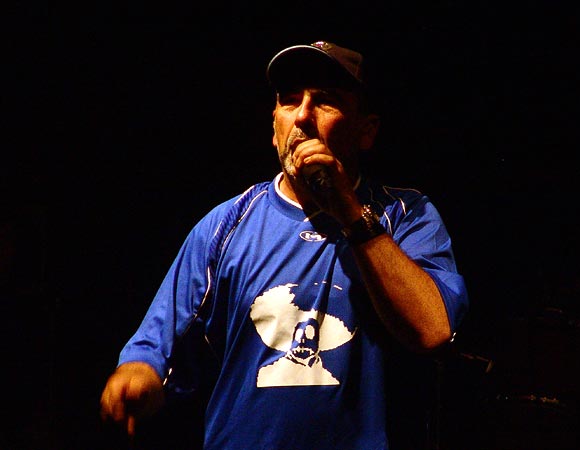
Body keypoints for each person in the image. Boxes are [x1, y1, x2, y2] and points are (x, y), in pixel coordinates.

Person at [100, 40, 469, 449]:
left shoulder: (406, 214)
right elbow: (156, 348)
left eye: (325, 101)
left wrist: (349, 211)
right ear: (274, 128)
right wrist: (137, 376)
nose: (303, 116)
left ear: (366, 131)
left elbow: (433, 330)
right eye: (290, 100)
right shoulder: (225, 224)